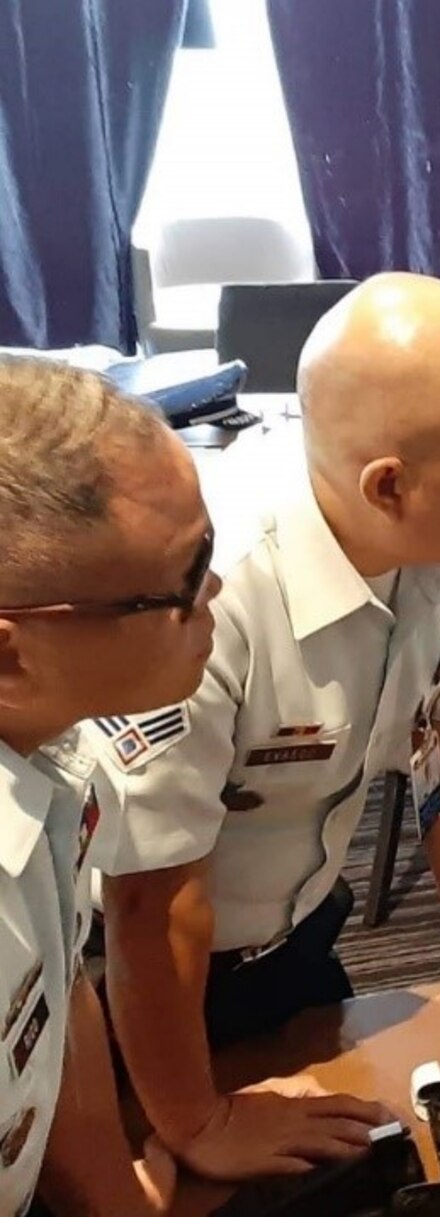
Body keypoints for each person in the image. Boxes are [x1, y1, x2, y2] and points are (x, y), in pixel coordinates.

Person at [94, 275, 440, 1184]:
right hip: (136, 992)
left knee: (371, 1169)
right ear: (390, 485)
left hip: (301, 930)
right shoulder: (209, 594)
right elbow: (150, 900)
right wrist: (194, 1117)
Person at [0, 361, 202, 1213]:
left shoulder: (53, 745)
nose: (217, 592)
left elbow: (54, 998)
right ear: (11, 654)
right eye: (184, 582)